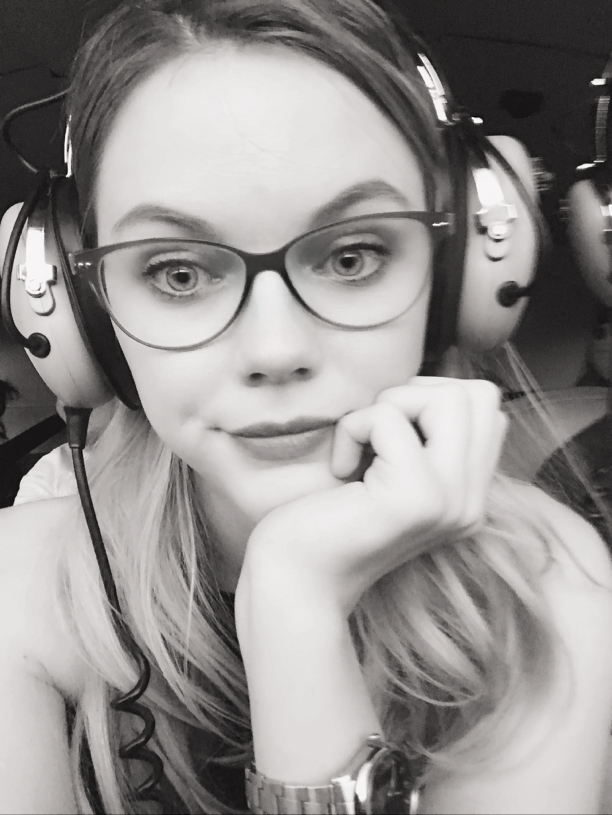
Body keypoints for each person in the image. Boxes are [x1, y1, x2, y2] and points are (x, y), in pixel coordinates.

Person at [0, 1, 612, 813]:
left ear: (450, 275)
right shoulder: (17, 585)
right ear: (89, 309)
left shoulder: (549, 581)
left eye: (353, 255)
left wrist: (295, 605)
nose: (274, 348)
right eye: (178, 272)